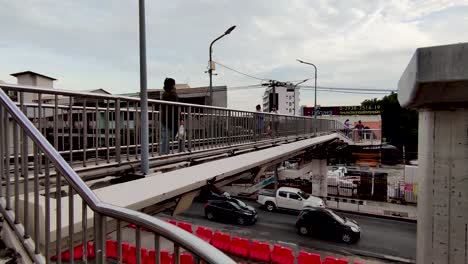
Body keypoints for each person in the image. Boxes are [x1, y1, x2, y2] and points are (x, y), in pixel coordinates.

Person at [160, 78, 179, 155]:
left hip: (165, 118)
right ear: (172, 85)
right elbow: (177, 107)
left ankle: (163, 153)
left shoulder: (164, 94)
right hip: (172, 118)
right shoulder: (173, 94)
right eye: (174, 84)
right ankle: (181, 151)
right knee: (180, 135)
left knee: (165, 137)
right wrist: (180, 118)